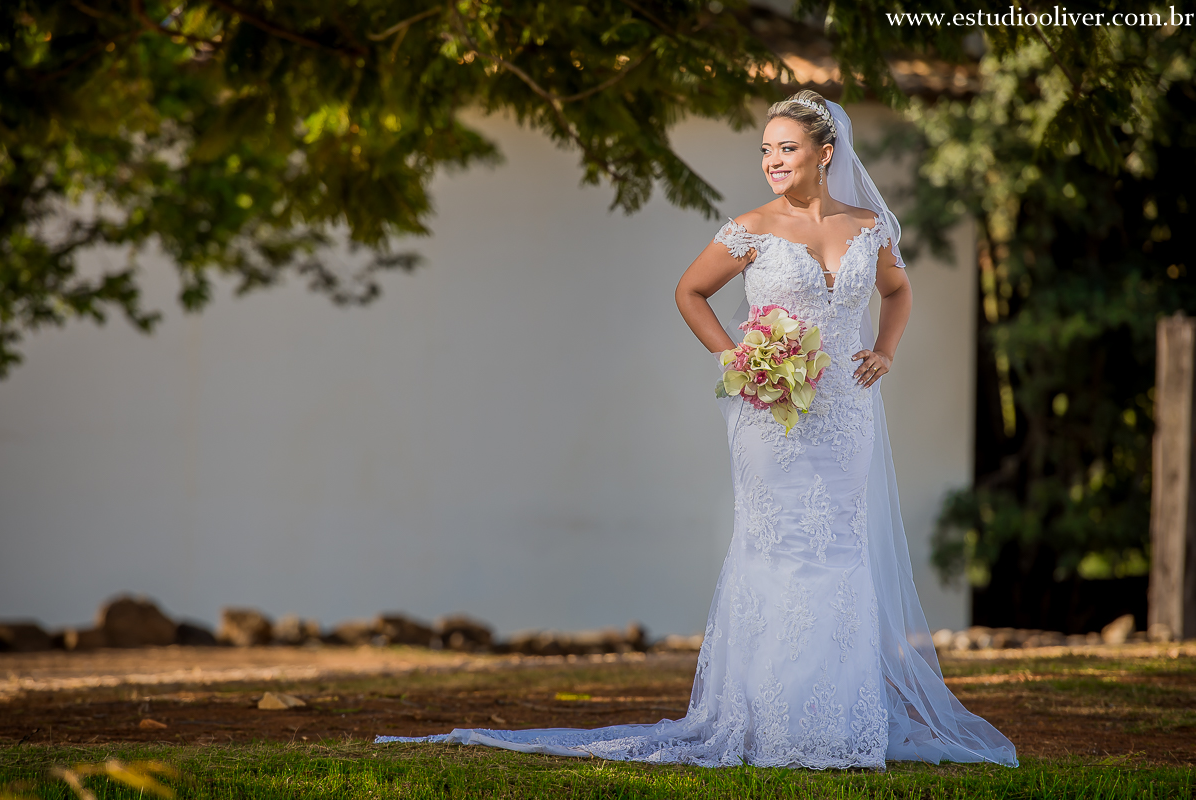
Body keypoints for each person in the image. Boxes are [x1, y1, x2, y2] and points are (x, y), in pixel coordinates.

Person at [376, 91, 1019, 769]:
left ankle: (835, 723)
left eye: (787, 148)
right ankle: (770, 722)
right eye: (766, 150)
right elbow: (689, 292)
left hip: (846, 416)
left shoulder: (869, 226)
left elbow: (897, 290)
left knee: (839, 548)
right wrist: (739, 359)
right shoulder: (750, 229)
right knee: (778, 546)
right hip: (771, 416)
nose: (773, 160)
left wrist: (884, 350)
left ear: (826, 154)